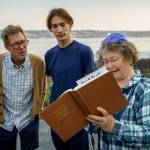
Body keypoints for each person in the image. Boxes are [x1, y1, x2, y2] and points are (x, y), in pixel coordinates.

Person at [87, 32, 150, 149]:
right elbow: (94, 129)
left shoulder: (145, 89)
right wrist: (93, 121)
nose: (109, 66)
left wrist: (113, 126)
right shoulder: (103, 87)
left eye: (114, 60)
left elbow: (148, 135)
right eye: (105, 61)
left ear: (130, 58)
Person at [45, 8, 95, 150]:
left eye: (63, 24)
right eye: (54, 26)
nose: (59, 29)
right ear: (51, 29)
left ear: (70, 24)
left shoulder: (84, 51)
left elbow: (90, 84)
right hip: (57, 113)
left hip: (77, 113)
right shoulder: (49, 54)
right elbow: (50, 81)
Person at [0, 25, 46, 150]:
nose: (21, 47)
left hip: (28, 120)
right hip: (4, 121)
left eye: (23, 42)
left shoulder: (38, 63)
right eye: (16, 44)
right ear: (7, 47)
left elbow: (42, 88)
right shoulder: (0, 62)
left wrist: (38, 109)